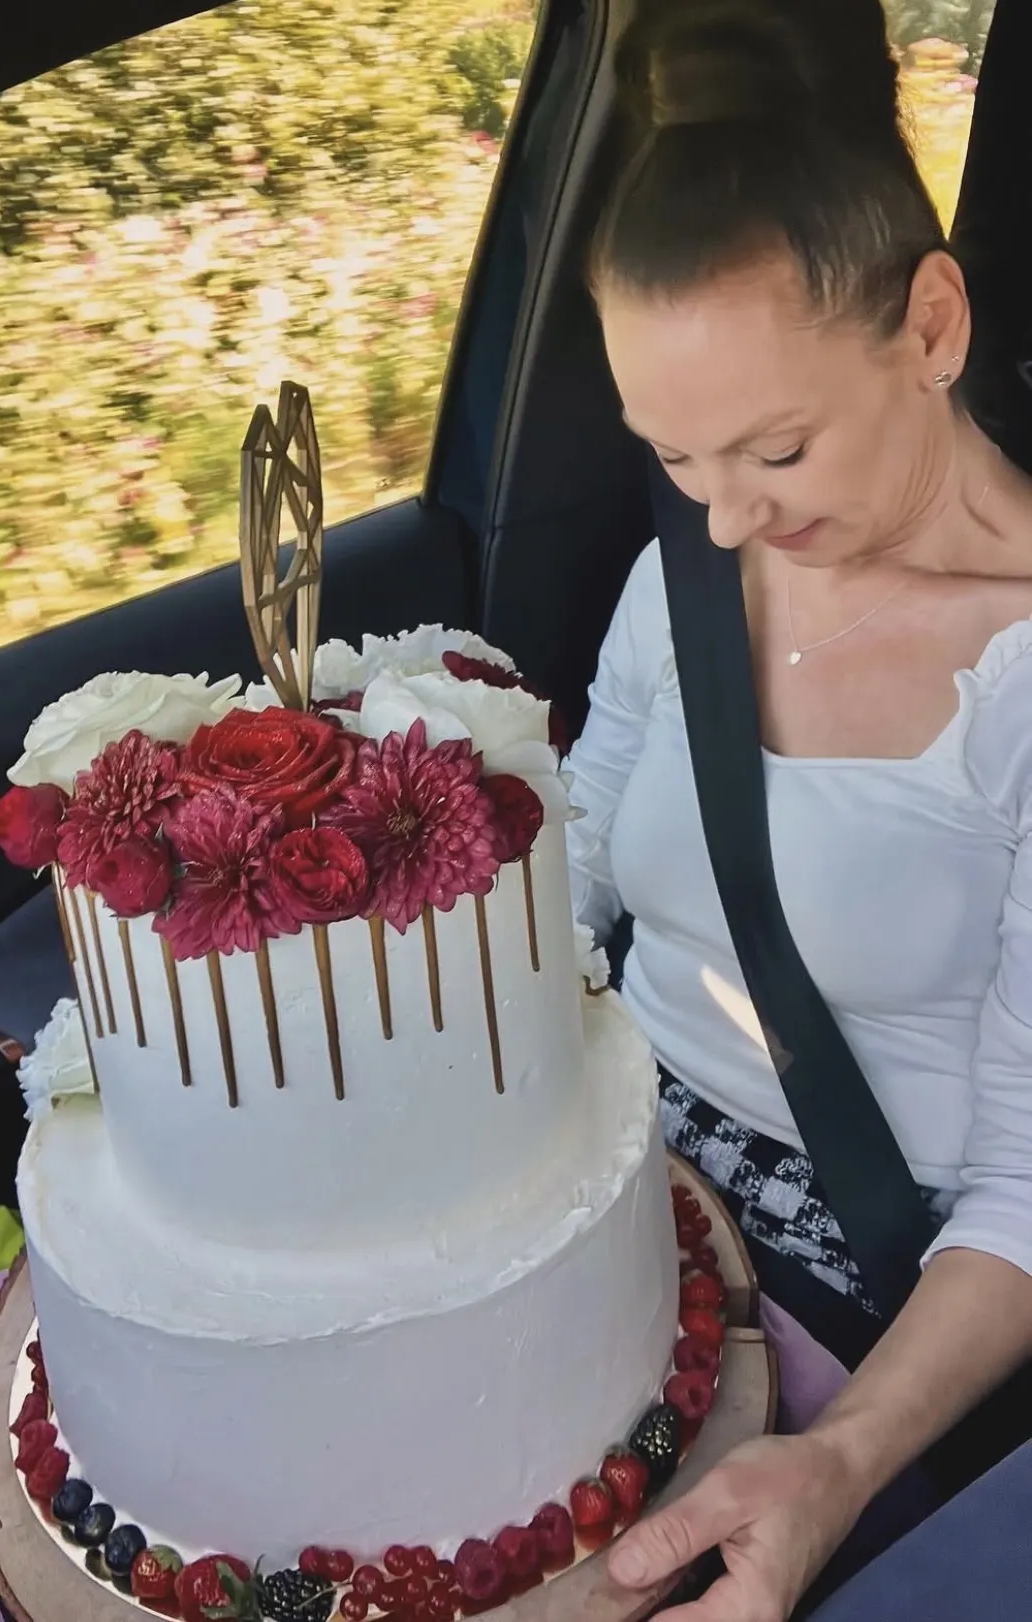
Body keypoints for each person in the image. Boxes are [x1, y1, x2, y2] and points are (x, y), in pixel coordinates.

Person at [564, 1, 1032, 1618]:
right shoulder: (684, 567)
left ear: (932, 326)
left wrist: (840, 1466)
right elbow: (567, 874)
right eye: (672, 456)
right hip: (586, 1169)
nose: (725, 515)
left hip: (848, 1282)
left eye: (775, 446)